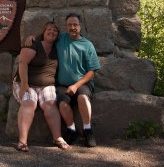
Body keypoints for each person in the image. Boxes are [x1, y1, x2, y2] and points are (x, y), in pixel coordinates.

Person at [25, 13, 100, 147]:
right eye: (69, 25)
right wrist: (33, 38)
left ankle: (88, 130)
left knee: (82, 98)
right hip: (62, 85)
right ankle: (72, 130)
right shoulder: (61, 39)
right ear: (66, 27)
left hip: (83, 83)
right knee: (62, 104)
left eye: (75, 25)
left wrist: (76, 86)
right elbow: (47, 36)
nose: (72, 27)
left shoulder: (87, 45)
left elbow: (92, 71)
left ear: (80, 27)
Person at [13, 21, 69, 152]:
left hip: (47, 85)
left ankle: (58, 137)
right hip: (26, 82)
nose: (52, 32)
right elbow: (22, 63)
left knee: (50, 104)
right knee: (29, 103)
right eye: (49, 29)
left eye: (55, 31)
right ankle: (22, 141)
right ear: (43, 32)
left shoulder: (57, 47)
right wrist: (24, 85)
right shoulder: (34, 44)